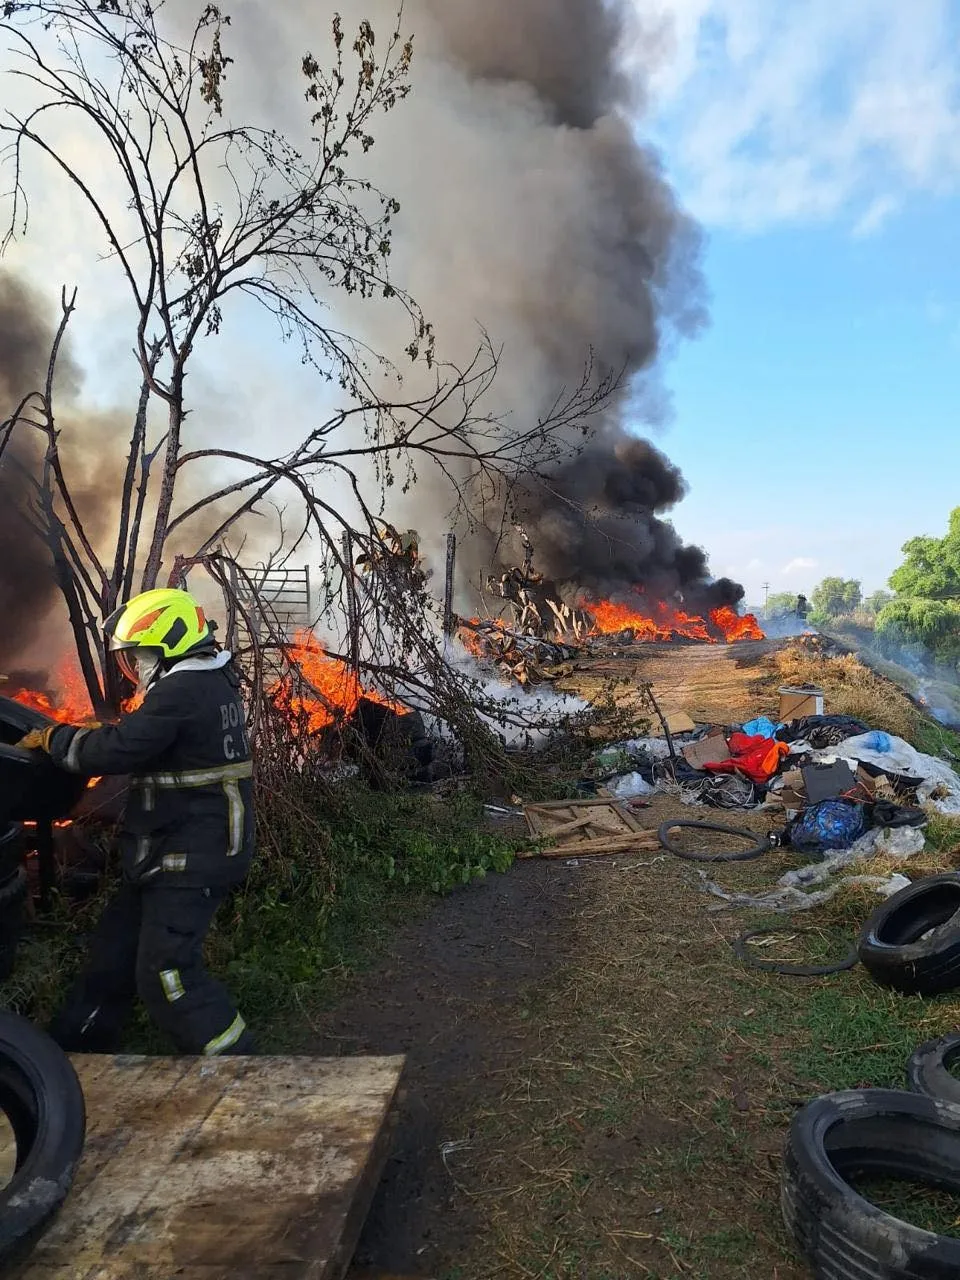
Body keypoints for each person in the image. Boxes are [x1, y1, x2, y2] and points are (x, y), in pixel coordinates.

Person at [19, 587, 255, 1056]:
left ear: (170, 645)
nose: (135, 666)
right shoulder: (211, 681)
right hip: (167, 853)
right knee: (112, 959)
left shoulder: (182, 691)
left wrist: (56, 740)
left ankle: (237, 1064)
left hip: (190, 861)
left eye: (140, 655)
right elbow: (149, 740)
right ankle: (75, 1053)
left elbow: (117, 751)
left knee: (167, 974)